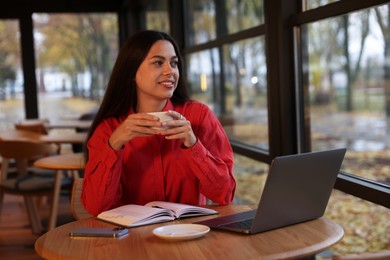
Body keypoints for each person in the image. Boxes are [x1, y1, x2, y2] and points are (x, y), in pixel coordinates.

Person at [81, 30, 236, 216]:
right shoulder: (109, 129)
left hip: (189, 235)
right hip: (132, 240)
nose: (170, 71)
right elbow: (95, 207)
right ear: (131, 70)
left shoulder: (199, 116)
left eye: (174, 63)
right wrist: (114, 144)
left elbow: (225, 194)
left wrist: (194, 146)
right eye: (158, 62)